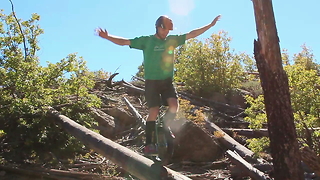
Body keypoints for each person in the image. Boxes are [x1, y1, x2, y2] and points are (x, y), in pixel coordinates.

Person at [96, 14, 221, 155]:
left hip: (167, 81)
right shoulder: (146, 41)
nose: (166, 33)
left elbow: (192, 34)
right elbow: (124, 42)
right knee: (154, 111)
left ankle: (165, 126)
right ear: (158, 27)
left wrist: (210, 25)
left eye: (168, 30)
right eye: (165, 30)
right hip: (152, 82)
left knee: (174, 105)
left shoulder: (172, 41)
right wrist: (107, 37)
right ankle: (149, 144)